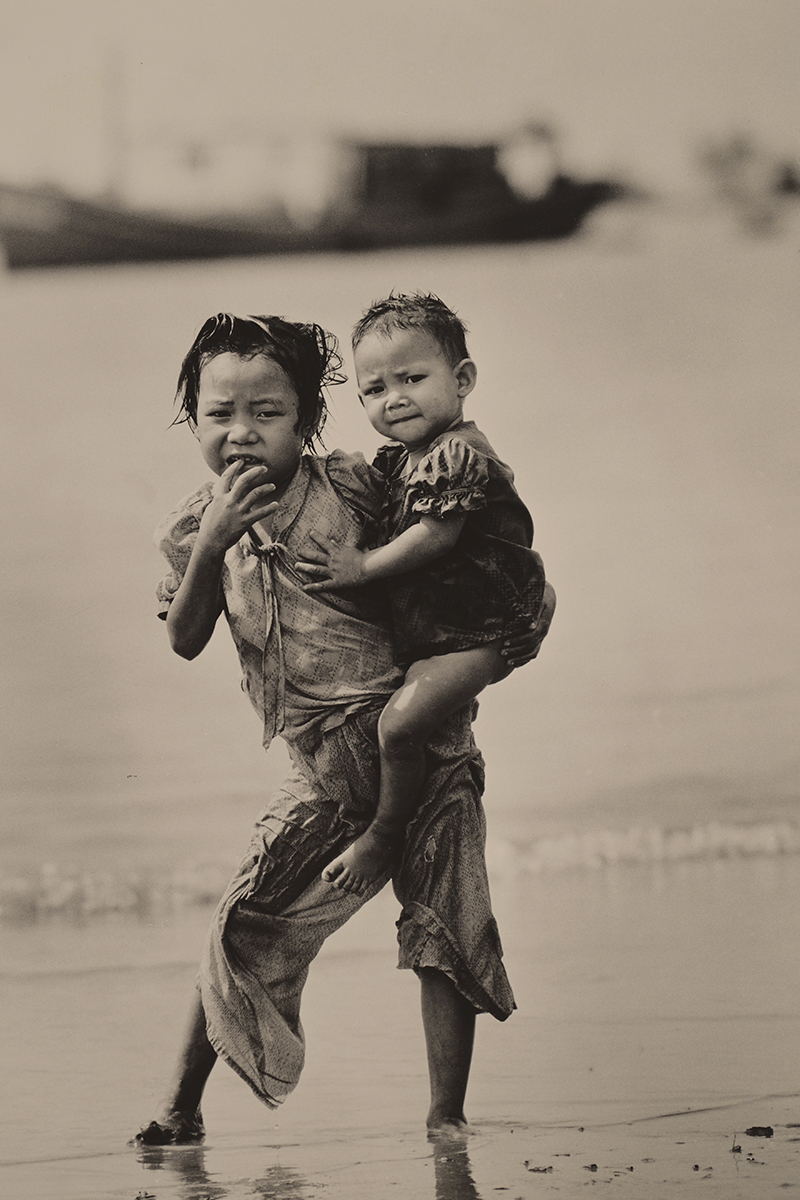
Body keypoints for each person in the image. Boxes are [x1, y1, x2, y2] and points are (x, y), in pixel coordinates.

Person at [134, 312, 554, 1146]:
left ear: (307, 421)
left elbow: (452, 543)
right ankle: (179, 1108)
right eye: (220, 416)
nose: (243, 433)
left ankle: (446, 1118)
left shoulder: (357, 488)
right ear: (194, 421)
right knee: (244, 924)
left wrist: (509, 624)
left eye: (268, 413)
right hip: (323, 774)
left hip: (425, 751)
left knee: (444, 928)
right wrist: (216, 540)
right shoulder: (192, 528)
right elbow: (184, 639)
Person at [297, 293, 546, 896]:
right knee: (411, 723)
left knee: (399, 728)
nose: (396, 398)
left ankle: (385, 834)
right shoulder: (405, 460)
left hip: (480, 632)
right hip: (445, 631)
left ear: (461, 380)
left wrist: (363, 567)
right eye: (376, 390)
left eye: (413, 378)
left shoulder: (457, 454)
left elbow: (437, 535)